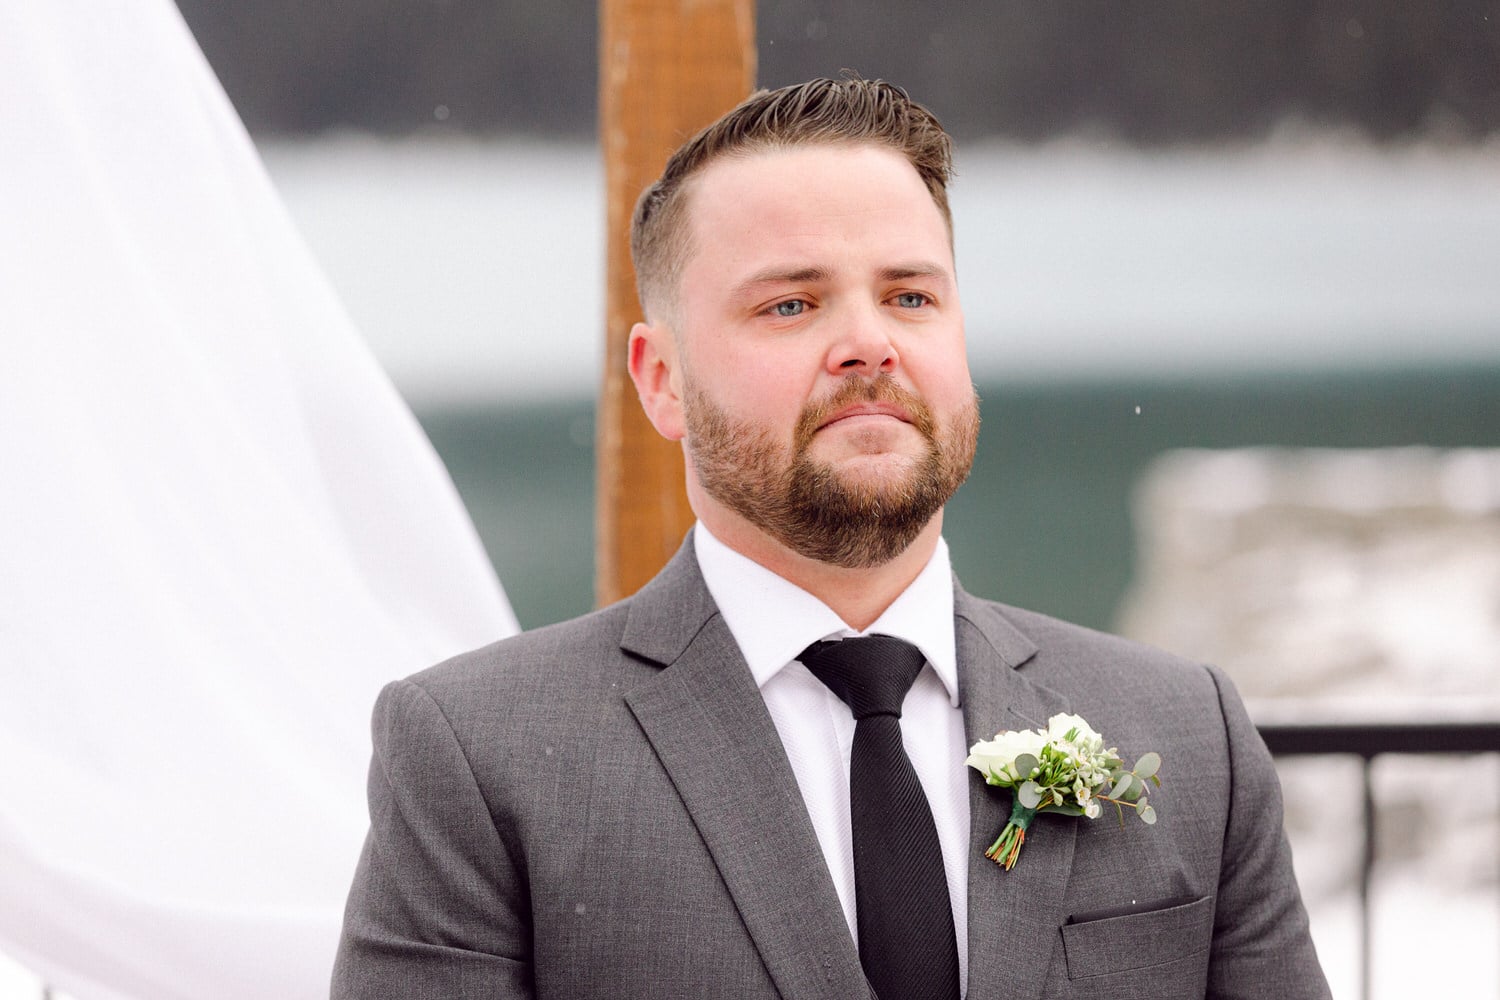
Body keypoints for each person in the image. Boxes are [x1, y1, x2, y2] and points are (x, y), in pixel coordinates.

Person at [332, 77, 1329, 999]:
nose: (869, 341)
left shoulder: (1190, 737)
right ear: (660, 378)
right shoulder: (479, 759)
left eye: (910, 296)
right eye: (792, 304)